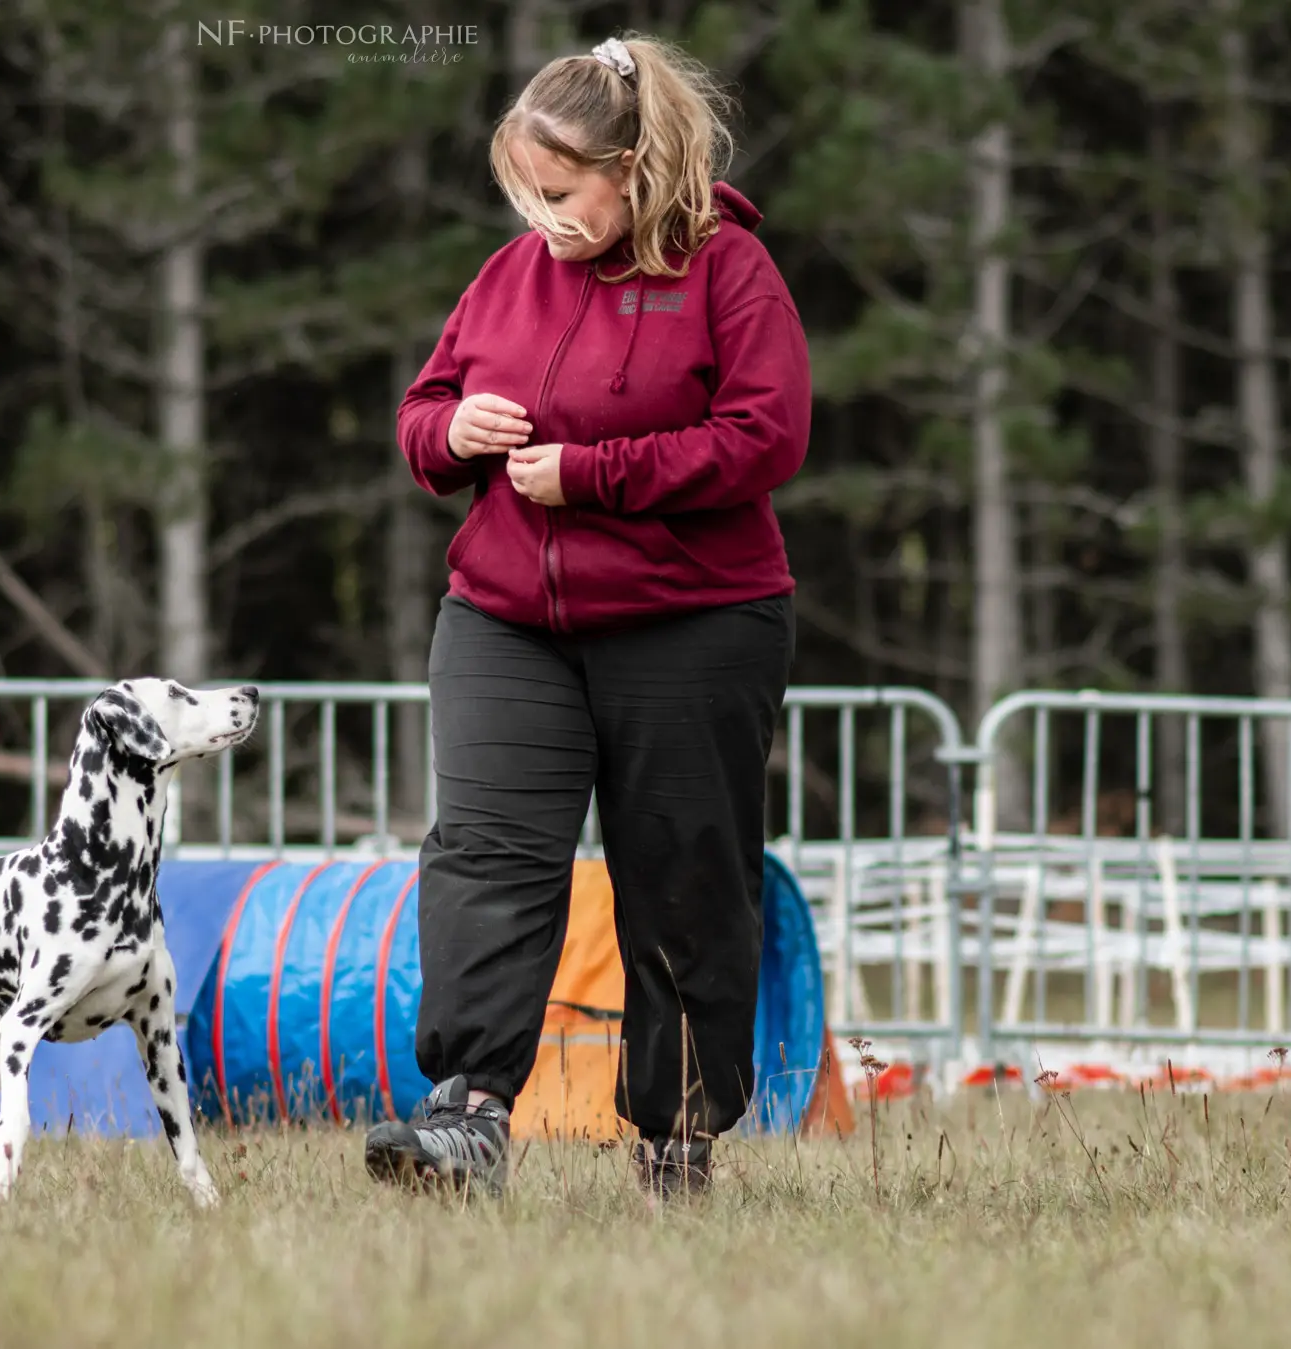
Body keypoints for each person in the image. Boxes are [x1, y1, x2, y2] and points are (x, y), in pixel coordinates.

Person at [363, 32, 807, 1200]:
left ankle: (676, 1138)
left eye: (559, 194)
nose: (539, 216)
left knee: (679, 876)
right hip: (506, 616)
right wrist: (446, 436)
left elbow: (767, 436)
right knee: (485, 859)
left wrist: (594, 473)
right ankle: (466, 1115)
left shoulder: (728, 272)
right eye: (523, 192)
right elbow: (426, 404)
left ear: (634, 166)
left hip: (692, 619)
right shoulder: (508, 276)